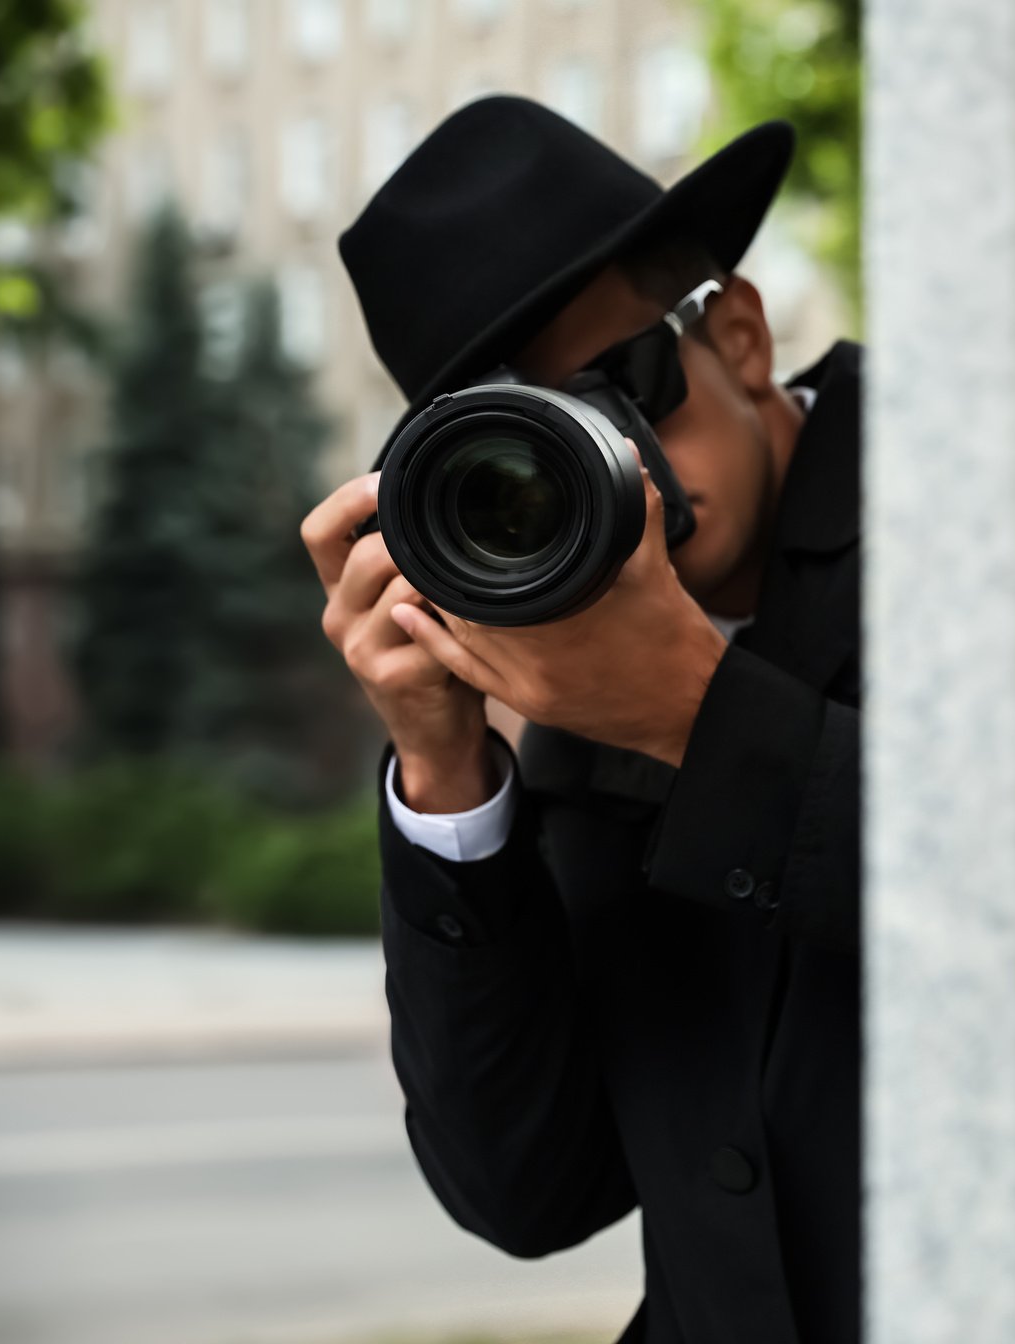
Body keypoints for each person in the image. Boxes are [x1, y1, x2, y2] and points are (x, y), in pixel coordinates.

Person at [297, 96, 860, 1344]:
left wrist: (692, 714)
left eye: (624, 392)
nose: (621, 476)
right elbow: (531, 1190)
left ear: (742, 336)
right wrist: (448, 775)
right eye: (534, 445)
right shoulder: (570, 664)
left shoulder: (1006, 480)